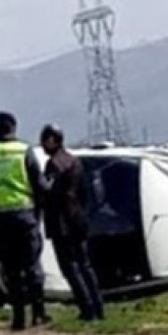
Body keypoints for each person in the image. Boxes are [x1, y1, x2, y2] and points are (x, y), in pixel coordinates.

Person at [0, 111, 49, 330]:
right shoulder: (23, 151)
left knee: (12, 270)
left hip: (0, 219)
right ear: (14, 128)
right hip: (25, 215)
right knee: (32, 266)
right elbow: (39, 184)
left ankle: (18, 318)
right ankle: (39, 312)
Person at [40, 125, 105, 321]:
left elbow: (48, 193)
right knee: (85, 265)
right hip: (78, 219)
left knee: (70, 267)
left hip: (62, 223)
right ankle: (98, 308)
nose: (42, 144)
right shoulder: (75, 161)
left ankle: (87, 309)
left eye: (45, 140)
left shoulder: (54, 165)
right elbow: (85, 193)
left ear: (53, 141)